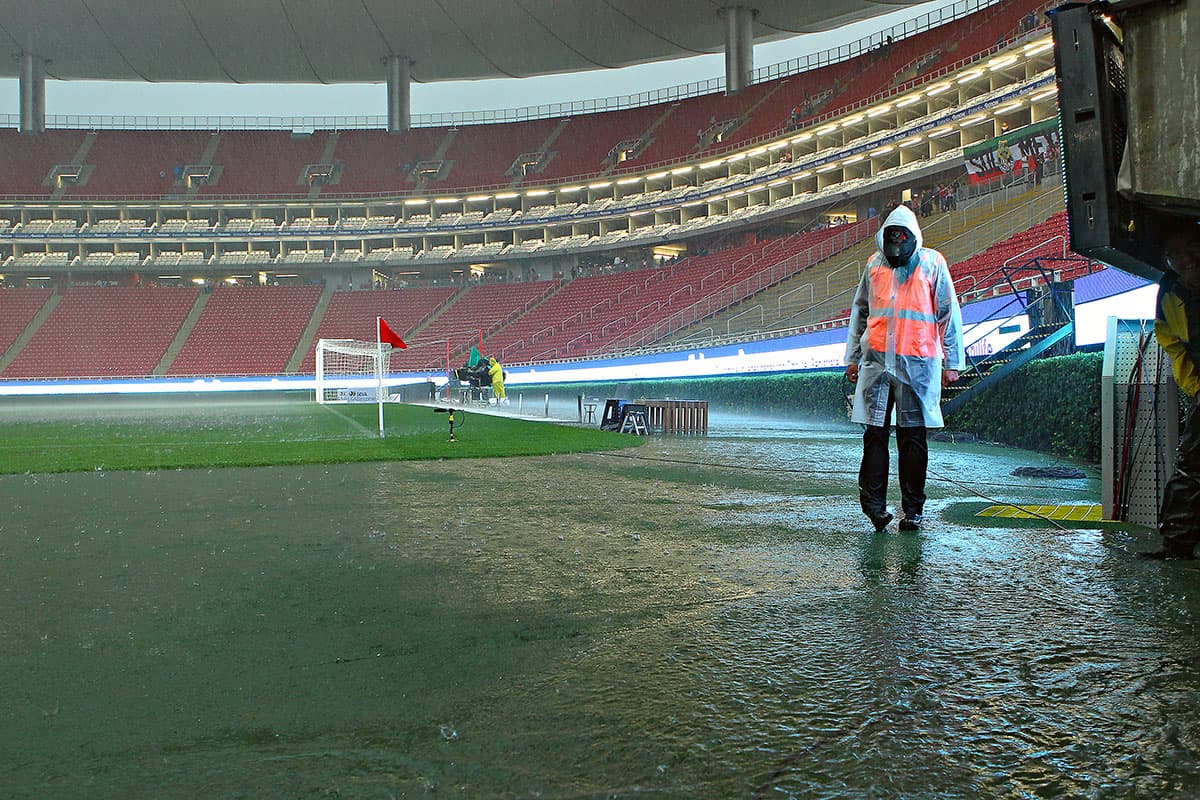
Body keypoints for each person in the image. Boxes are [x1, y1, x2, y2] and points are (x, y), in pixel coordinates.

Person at [845, 204, 965, 532]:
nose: (896, 252)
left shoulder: (932, 263)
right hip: (877, 364)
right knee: (875, 436)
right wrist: (852, 358)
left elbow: (947, 312)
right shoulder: (874, 265)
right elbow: (860, 312)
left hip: (917, 364)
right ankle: (875, 508)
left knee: (913, 438)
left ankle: (912, 510)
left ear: (913, 239)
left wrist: (952, 361)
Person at [1141, 225, 1200, 559]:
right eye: (1175, 254)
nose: (1186, 259)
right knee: (1191, 466)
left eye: (1191, 248)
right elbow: (1172, 341)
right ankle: (1176, 545)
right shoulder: (1170, 291)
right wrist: (1195, 387)